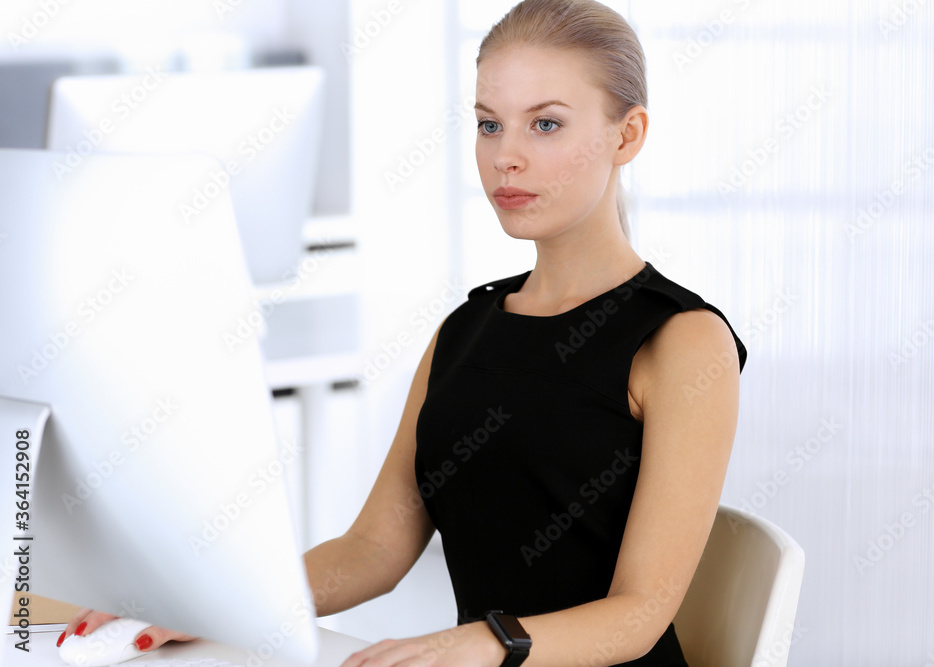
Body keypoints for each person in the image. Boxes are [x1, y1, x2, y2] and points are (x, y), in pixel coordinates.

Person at [59, 1, 746, 665]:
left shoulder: (683, 339)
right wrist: (209, 603)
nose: (505, 156)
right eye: (488, 124)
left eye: (545, 125)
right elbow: (372, 551)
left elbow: (638, 614)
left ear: (626, 135)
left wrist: (481, 641)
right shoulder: (466, 329)